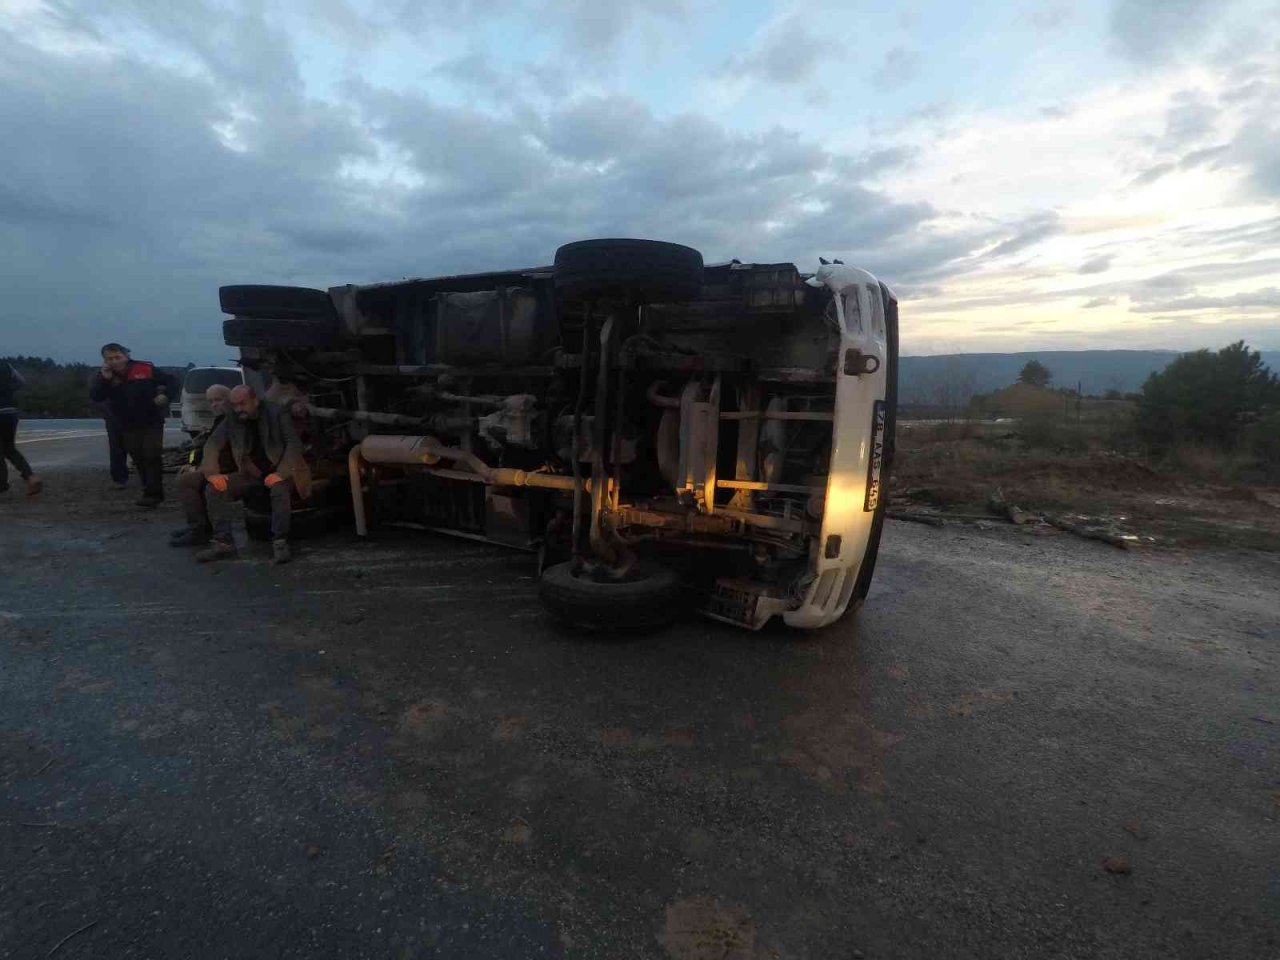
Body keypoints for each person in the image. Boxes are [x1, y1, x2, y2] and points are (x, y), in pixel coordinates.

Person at [195, 384, 312, 565]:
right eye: (234, 405)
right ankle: (222, 542)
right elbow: (213, 443)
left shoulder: (276, 413)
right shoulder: (233, 418)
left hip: (282, 469)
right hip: (251, 472)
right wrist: (212, 473)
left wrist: (281, 473)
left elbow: (293, 444)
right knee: (214, 488)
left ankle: (280, 542)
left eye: (242, 404)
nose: (238, 409)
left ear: (255, 400)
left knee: (279, 490)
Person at [88, 343, 177, 508]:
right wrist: (105, 379)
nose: (115, 361)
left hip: (151, 420)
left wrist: (165, 396)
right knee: (138, 456)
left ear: (126, 356)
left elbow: (172, 381)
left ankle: (154, 494)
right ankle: (147, 488)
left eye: (117, 357)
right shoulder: (104, 376)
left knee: (151, 454)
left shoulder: (144, 368)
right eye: (110, 359)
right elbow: (96, 396)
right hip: (126, 423)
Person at [171, 383, 234, 547]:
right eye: (211, 401)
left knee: (188, 481)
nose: (214, 404)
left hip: (227, 468)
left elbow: (226, 453)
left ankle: (199, 531)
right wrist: (193, 463)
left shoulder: (232, 421)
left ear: (229, 400)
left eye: (218, 400)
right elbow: (203, 448)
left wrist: (200, 468)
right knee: (186, 478)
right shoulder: (220, 420)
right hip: (215, 465)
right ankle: (199, 526)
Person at [0, 361, 42, 496]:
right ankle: (30, 476)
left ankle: (1, 484)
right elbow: (20, 382)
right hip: (10, 411)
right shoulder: (5, 365)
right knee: (9, 448)